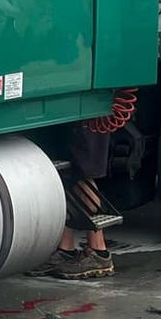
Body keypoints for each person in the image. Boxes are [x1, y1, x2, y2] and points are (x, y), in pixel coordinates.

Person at [47, 118, 114, 279]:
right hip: (74, 113)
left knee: (82, 176)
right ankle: (65, 250)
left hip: (89, 112)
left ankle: (99, 252)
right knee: (64, 174)